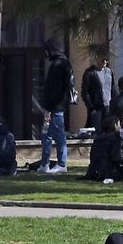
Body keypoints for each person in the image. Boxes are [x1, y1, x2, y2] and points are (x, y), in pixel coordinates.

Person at [38, 38, 73, 174]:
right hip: (54, 106)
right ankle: (45, 163)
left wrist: (48, 107)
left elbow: (53, 89)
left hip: (55, 107)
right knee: (47, 135)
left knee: (57, 135)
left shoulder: (58, 65)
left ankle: (61, 163)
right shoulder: (63, 64)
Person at [82, 114, 123, 181]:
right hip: (108, 171)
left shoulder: (98, 138)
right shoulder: (115, 138)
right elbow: (115, 157)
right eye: (119, 124)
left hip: (94, 170)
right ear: (115, 125)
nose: (120, 126)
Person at [81, 58, 112, 130]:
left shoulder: (109, 71)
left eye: (106, 60)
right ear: (97, 59)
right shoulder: (90, 72)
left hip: (108, 106)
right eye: (102, 59)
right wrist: (91, 107)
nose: (104, 62)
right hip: (96, 107)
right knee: (96, 130)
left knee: (107, 130)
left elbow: (112, 88)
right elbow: (85, 91)